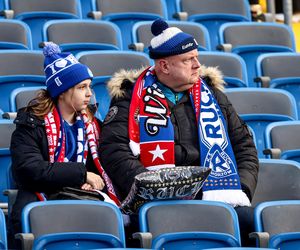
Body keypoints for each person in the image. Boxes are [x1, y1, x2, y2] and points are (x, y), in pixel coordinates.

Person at [100, 19, 259, 246]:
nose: (197, 65)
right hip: (155, 200)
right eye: (188, 60)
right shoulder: (129, 99)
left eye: (196, 57)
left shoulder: (213, 97)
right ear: (164, 66)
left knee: (255, 221)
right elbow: (113, 150)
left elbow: (244, 146)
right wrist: (153, 186)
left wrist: (238, 188)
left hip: (214, 192)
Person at [9, 42, 118, 248]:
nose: (89, 94)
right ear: (62, 91)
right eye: (81, 87)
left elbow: (101, 167)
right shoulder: (31, 124)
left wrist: (92, 182)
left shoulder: (92, 125)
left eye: (89, 86)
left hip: (82, 195)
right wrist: (81, 175)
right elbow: (28, 169)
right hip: (39, 195)